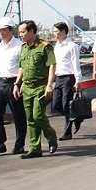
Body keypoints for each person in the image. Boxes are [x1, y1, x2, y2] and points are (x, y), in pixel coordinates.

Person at [12, 20, 58, 158]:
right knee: (30, 118)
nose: (21, 35)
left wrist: (49, 85)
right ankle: (35, 148)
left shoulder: (45, 46)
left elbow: (52, 65)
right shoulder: (24, 47)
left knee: (38, 115)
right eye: (19, 32)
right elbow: (22, 67)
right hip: (27, 87)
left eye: (23, 32)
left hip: (40, 86)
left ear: (32, 31)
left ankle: (51, 137)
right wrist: (17, 83)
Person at [0, 16, 27, 156]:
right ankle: (0, 143)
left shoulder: (19, 46)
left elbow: (23, 66)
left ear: (11, 30)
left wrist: (18, 84)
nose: (1, 33)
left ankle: (19, 144)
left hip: (14, 82)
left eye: (3, 30)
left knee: (18, 115)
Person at [51, 22, 82, 141]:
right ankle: (76, 117)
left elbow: (76, 64)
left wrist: (78, 80)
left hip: (69, 77)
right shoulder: (56, 46)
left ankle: (67, 132)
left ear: (63, 31)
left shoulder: (71, 46)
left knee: (66, 104)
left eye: (56, 31)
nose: (54, 34)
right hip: (58, 78)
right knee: (56, 104)